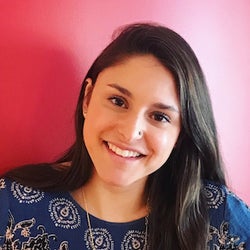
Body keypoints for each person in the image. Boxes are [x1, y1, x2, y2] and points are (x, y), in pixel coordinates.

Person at [0, 23, 249, 250]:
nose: (130, 132)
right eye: (118, 101)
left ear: (179, 135)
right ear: (87, 99)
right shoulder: (12, 206)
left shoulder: (219, 216)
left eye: (160, 117)